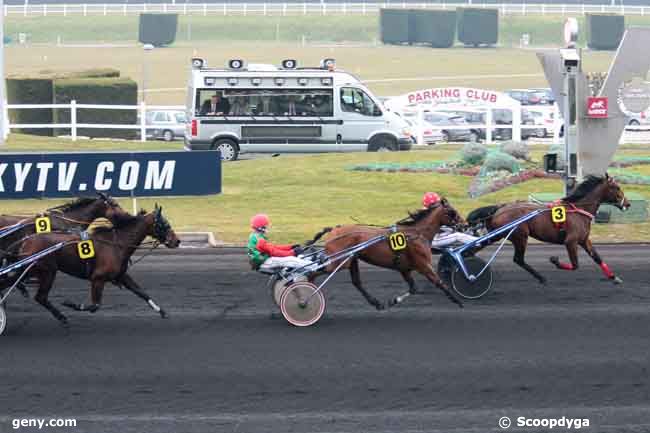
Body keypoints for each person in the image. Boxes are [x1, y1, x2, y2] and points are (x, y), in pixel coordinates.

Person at [247, 214, 313, 272]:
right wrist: (292, 252)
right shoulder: (260, 240)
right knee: (291, 260)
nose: (268, 227)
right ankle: (314, 267)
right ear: (261, 227)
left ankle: (310, 261)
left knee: (296, 257)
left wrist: (290, 247)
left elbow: (273, 247)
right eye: (266, 225)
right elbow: (275, 252)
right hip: (264, 262)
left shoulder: (255, 236)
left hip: (262, 260)